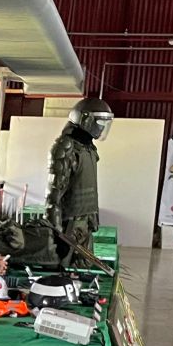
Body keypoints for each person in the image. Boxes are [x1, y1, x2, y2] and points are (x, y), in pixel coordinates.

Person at [48, 96, 112, 262]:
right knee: (65, 270)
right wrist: (56, 233)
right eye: (99, 122)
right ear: (85, 119)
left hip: (86, 222)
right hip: (69, 224)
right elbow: (53, 196)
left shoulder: (88, 148)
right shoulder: (67, 147)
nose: (101, 127)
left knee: (83, 272)